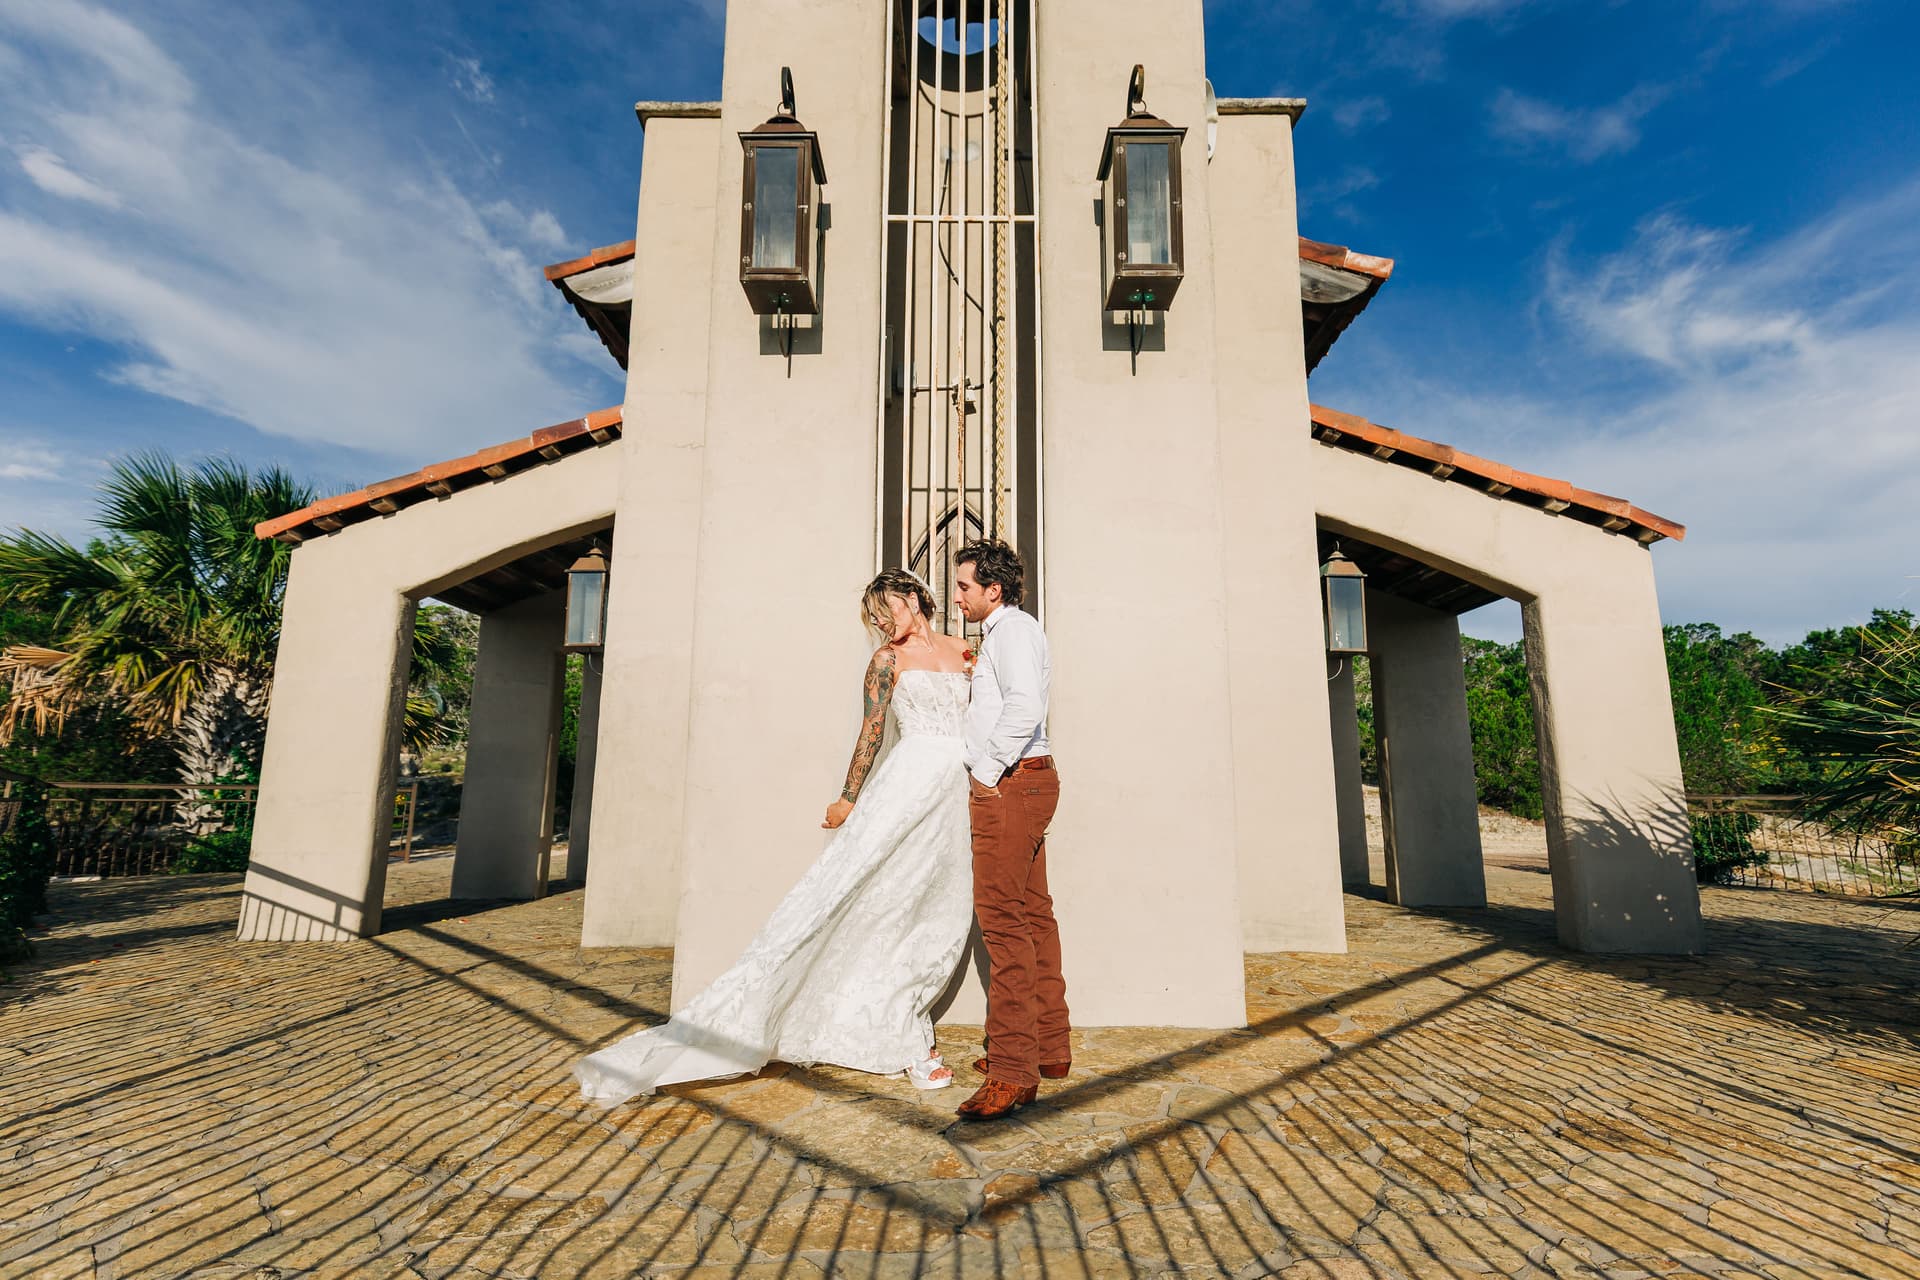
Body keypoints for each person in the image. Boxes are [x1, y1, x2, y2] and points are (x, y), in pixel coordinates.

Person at [573, 569, 975, 1105]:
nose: (882, 623)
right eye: (874, 617)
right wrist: (848, 798)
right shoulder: (885, 661)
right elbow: (872, 732)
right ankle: (898, 1035)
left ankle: (897, 1018)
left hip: (962, 791)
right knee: (871, 901)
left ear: (913, 598)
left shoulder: (967, 651)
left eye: (888, 610)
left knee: (940, 906)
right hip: (908, 785)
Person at [950, 539, 1067, 1121]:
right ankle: (1047, 1047)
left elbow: (1026, 705)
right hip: (1027, 782)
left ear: (993, 589)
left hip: (1013, 785)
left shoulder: (1013, 631)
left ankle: (1013, 1069)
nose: (957, 595)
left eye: (965, 586)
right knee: (1032, 913)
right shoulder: (1006, 634)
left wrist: (989, 772)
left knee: (1003, 923)